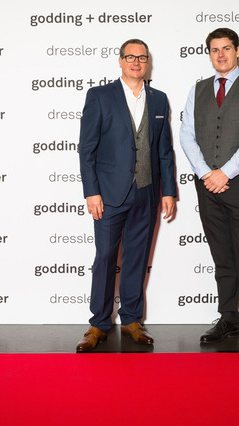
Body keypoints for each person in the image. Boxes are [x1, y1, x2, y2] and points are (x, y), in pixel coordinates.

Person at [76, 39, 177, 352]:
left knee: (137, 258)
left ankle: (132, 319)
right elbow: (86, 148)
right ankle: (98, 323)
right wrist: (92, 192)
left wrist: (168, 191)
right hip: (108, 194)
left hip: (146, 192)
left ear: (148, 63)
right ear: (120, 61)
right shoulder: (99, 96)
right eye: (130, 57)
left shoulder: (159, 99)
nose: (136, 62)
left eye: (142, 57)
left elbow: (164, 150)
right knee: (106, 257)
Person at [179, 28, 239, 356]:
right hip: (207, 183)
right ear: (209, 54)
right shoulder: (198, 90)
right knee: (221, 254)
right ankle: (228, 318)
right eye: (215, 49)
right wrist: (206, 173)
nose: (221, 54)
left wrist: (225, 172)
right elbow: (187, 134)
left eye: (226, 48)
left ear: (237, 51)